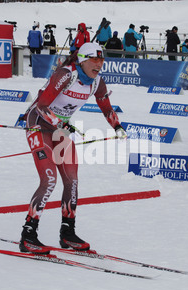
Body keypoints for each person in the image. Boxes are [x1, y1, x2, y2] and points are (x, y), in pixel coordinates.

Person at [19, 42, 127, 254]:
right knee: (49, 180)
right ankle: (28, 234)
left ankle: (67, 233)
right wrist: (59, 123)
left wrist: (117, 126)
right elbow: (41, 106)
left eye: (102, 60)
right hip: (38, 124)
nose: (99, 64)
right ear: (83, 60)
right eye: (95, 60)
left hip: (60, 128)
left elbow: (106, 108)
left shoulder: (96, 83)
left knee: (72, 181)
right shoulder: (67, 75)